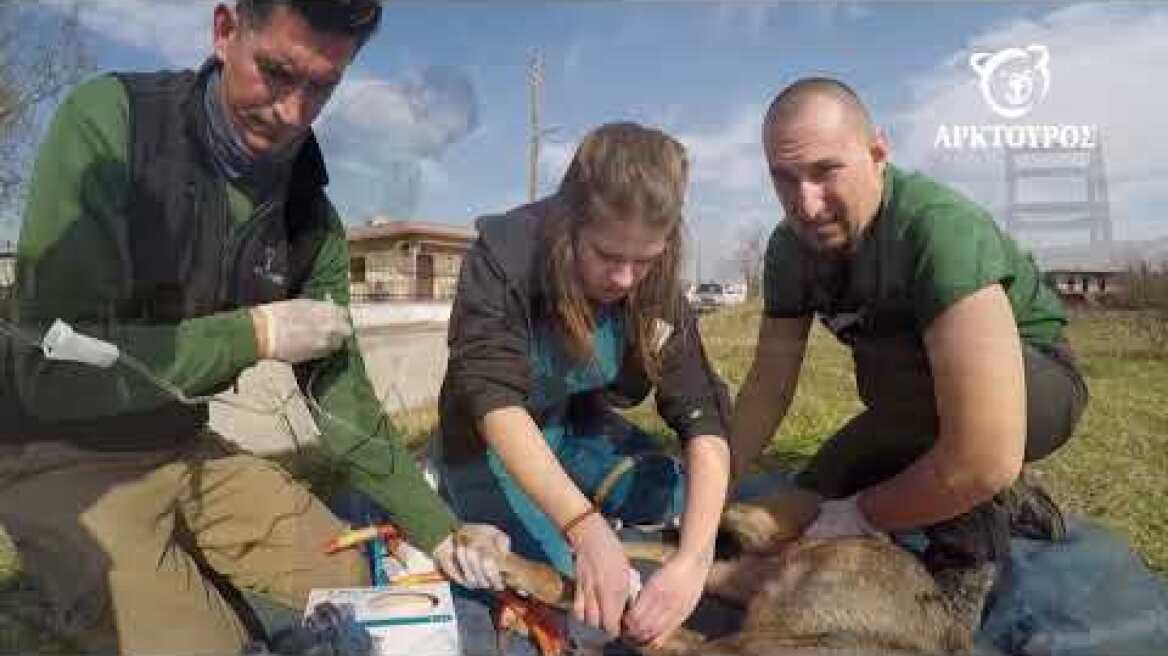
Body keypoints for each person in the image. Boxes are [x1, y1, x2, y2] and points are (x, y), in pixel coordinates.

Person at [0, 2, 507, 653]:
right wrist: (255, 335)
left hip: (181, 442)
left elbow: (343, 400)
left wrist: (440, 530)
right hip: (55, 453)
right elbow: (48, 373)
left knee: (367, 597)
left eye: (321, 86)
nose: (293, 112)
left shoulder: (310, 219)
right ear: (224, 31)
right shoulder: (113, 124)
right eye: (277, 71)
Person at [731, 78, 1089, 627]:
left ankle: (971, 549)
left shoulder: (937, 228)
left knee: (932, 450)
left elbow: (982, 457)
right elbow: (768, 385)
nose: (806, 203)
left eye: (826, 171)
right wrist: (718, 477)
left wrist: (863, 514)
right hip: (909, 407)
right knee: (813, 494)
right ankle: (1007, 497)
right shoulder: (788, 248)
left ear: (877, 154)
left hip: (1034, 385)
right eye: (784, 178)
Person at [435, 122, 732, 646]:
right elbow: (494, 402)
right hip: (491, 439)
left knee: (679, 499)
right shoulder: (505, 256)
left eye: (644, 260)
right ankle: (449, 482)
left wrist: (694, 560)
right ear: (569, 225)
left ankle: (620, 531)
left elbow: (702, 417)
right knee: (562, 584)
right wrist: (584, 527)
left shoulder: (656, 285)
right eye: (608, 256)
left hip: (572, 423)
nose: (625, 278)